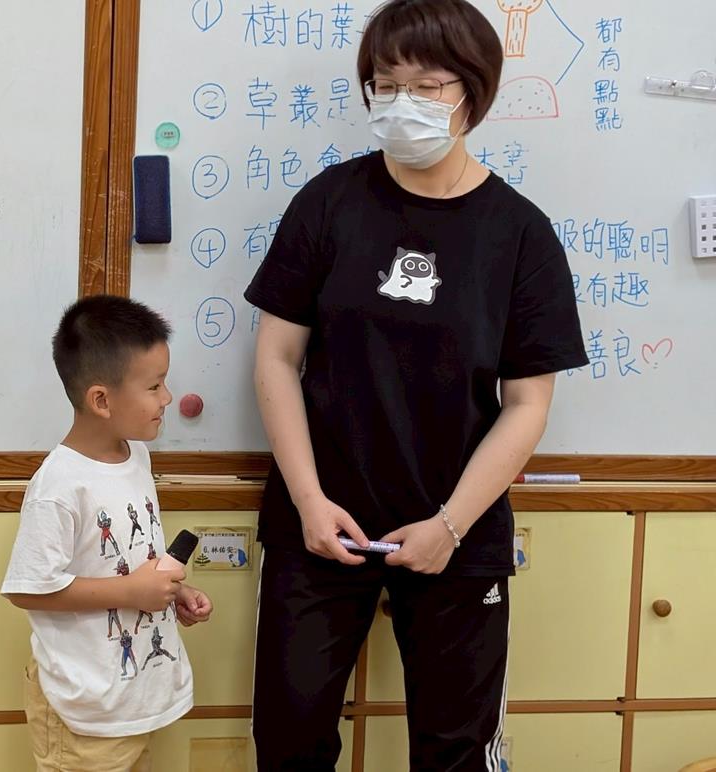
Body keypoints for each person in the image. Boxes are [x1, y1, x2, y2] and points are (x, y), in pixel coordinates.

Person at [244, 1, 588, 769]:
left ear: (473, 91)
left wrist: (451, 525)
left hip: (457, 532)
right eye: (386, 84)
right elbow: (276, 359)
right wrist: (307, 501)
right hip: (319, 525)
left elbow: (527, 404)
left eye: (427, 86)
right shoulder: (328, 203)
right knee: (290, 743)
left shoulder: (520, 234)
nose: (404, 103)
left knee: (454, 751)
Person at [1, 295, 213, 772]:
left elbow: (128, 560)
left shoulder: (137, 456)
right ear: (101, 399)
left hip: (130, 700)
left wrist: (170, 590)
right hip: (85, 712)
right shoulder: (59, 486)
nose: (167, 398)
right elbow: (28, 589)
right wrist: (131, 592)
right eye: (154, 386)